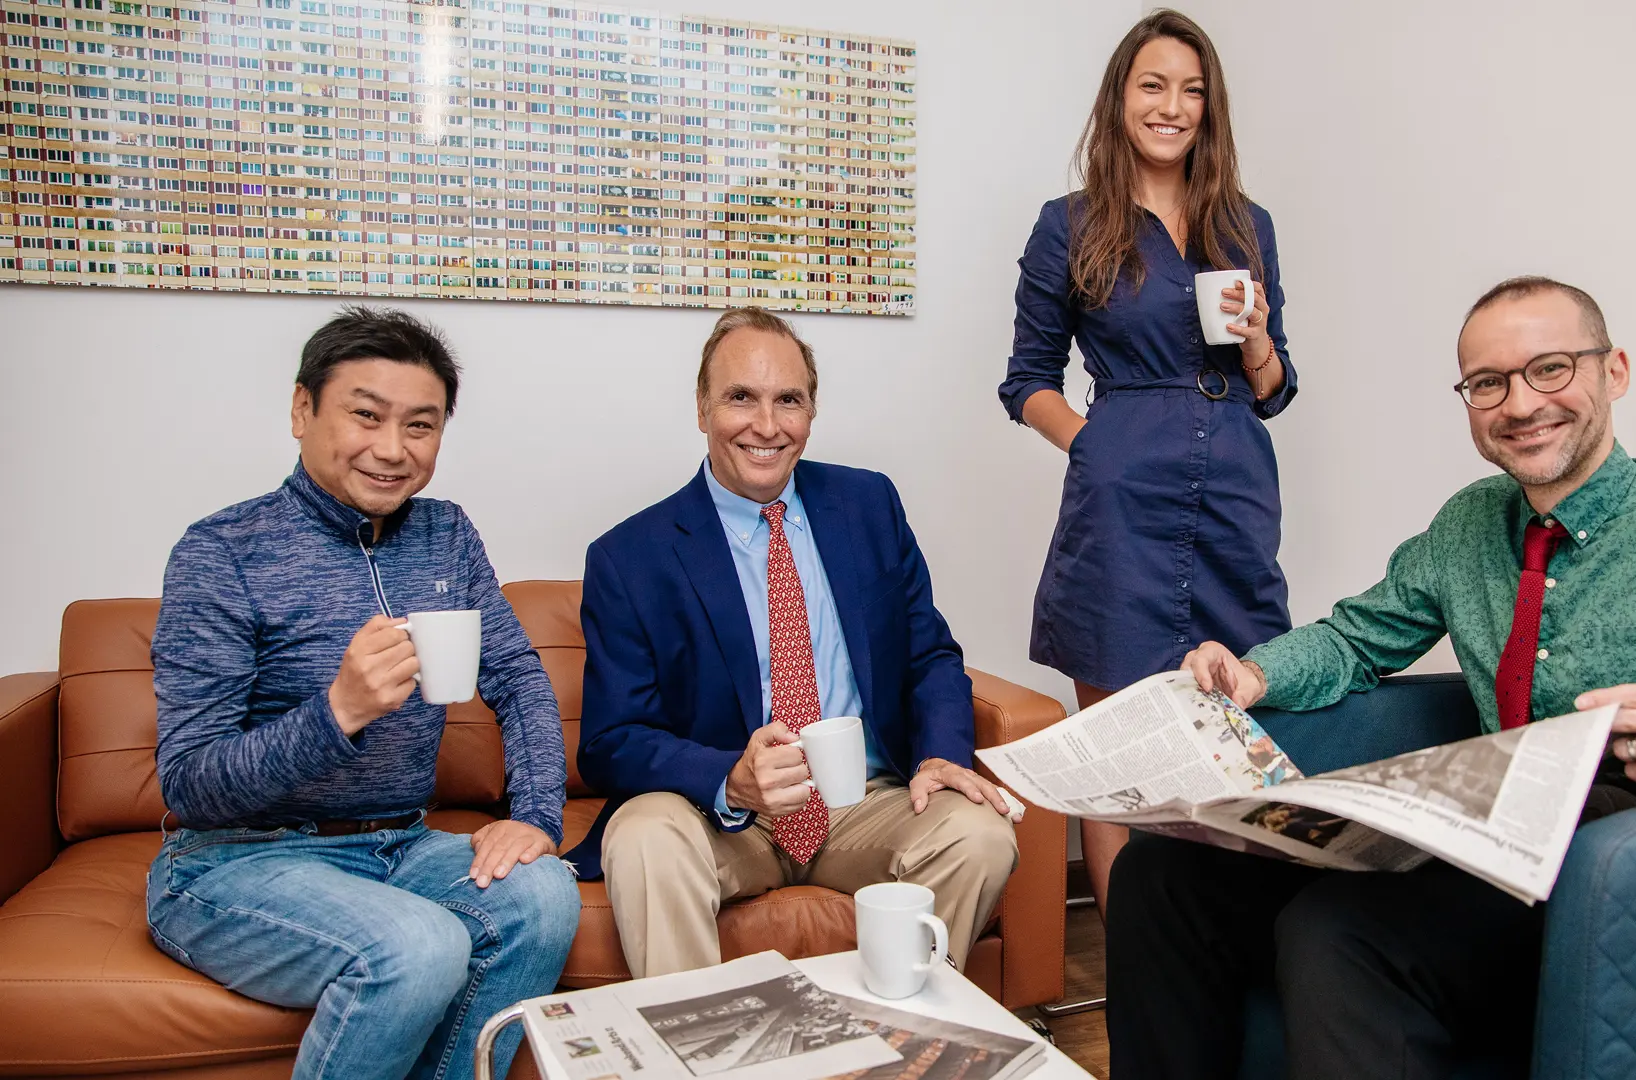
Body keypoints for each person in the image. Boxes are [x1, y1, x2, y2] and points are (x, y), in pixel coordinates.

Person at [1107, 276, 1636, 1079]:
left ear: (1616, 371)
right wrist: (1253, 674)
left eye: (1551, 369)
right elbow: (1357, 638)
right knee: (1164, 873)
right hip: (1492, 844)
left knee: (1337, 930)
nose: (1521, 404)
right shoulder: (1470, 523)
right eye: (1488, 383)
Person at [146, 307, 580, 1080]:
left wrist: (536, 817)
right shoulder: (221, 551)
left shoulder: (445, 534)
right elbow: (190, 783)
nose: (392, 450)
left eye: (420, 426)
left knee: (543, 894)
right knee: (420, 945)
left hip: (398, 846)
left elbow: (516, 679)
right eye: (366, 416)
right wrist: (336, 713)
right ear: (302, 410)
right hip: (233, 862)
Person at [569, 306, 1019, 978]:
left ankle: (898, 1039)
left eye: (789, 400)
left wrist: (940, 756)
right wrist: (731, 779)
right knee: (642, 836)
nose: (767, 425)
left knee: (980, 835)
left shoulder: (868, 506)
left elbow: (929, 654)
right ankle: (700, 1048)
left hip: (862, 803)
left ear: (811, 412)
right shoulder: (630, 557)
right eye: (740, 398)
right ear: (701, 408)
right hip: (721, 818)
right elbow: (610, 742)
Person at [997, 8, 1298, 915]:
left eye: (1192, 90)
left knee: (1237, 721)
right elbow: (1025, 381)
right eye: (1154, 85)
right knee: (1119, 740)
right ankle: (1137, 970)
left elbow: (1278, 389)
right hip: (1121, 505)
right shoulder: (1069, 225)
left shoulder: (1248, 225)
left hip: (1235, 490)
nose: (1173, 106)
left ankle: (1225, 945)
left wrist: (1257, 343)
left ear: (1212, 109)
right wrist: (1098, 447)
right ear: (1120, 98)